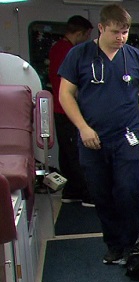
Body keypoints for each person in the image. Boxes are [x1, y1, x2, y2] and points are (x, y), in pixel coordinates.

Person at [57, 4, 139, 265]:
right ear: (101, 28)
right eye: (115, 32)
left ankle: (130, 244)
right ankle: (114, 245)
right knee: (101, 194)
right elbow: (65, 94)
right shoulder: (79, 55)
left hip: (127, 136)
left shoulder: (134, 56)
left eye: (125, 32)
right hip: (92, 138)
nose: (121, 38)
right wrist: (83, 127)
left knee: (128, 190)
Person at [48, 15, 94, 207]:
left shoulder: (56, 49)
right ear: (79, 33)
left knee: (67, 154)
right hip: (67, 109)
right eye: (87, 35)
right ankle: (87, 194)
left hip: (59, 110)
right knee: (77, 154)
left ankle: (71, 191)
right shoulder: (70, 52)